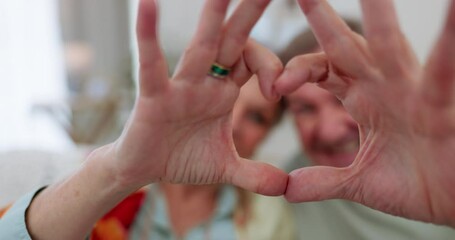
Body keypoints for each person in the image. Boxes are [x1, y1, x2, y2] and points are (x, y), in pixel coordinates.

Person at [1, 0, 455, 238]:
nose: (229, 126)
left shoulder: (278, 210)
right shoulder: (295, 188)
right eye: (305, 108)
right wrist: (116, 168)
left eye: (256, 116)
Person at [275, 0, 455, 228]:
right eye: (305, 109)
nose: (330, 131)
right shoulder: (282, 189)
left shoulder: (443, 165)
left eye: (342, 101)